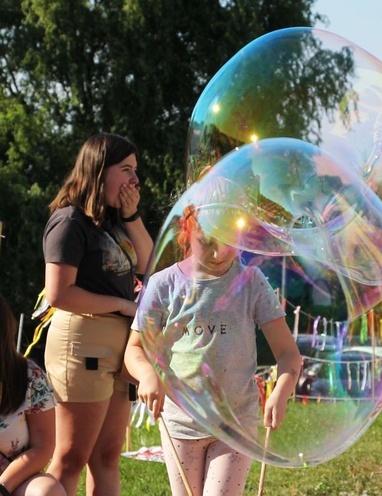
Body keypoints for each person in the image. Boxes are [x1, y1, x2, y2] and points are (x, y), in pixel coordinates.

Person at [124, 200, 302, 496]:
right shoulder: (164, 285)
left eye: (229, 242)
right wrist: (146, 375)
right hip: (180, 422)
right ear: (187, 230)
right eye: (207, 242)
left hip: (236, 422)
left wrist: (281, 391)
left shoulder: (251, 283)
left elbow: (288, 353)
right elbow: (134, 349)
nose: (219, 253)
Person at [42, 133, 154, 496]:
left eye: (135, 171)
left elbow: (149, 261)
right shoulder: (70, 220)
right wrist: (122, 305)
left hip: (119, 348)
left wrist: (132, 215)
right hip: (82, 341)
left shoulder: (113, 220)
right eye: (126, 170)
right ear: (99, 170)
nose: (134, 180)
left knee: (107, 456)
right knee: (72, 457)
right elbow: (60, 294)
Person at [0, 294, 65, 496]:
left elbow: (43, 446)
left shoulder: (29, 375)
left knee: (48, 491)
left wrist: (2, 488)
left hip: (12, 480)